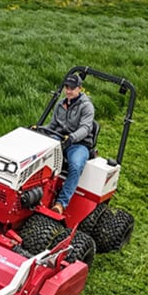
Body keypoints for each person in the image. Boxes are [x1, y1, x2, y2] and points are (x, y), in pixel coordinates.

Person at [42, 73, 95, 214]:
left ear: (79, 89)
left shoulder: (87, 107)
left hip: (79, 144)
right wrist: (39, 129)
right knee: (39, 155)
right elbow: (53, 125)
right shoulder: (60, 104)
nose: (68, 91)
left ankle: (61, 203)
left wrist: (72, 138)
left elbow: (86, 128)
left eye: (72, 88)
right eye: (67, 87)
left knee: (76, 166)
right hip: (59, 139)